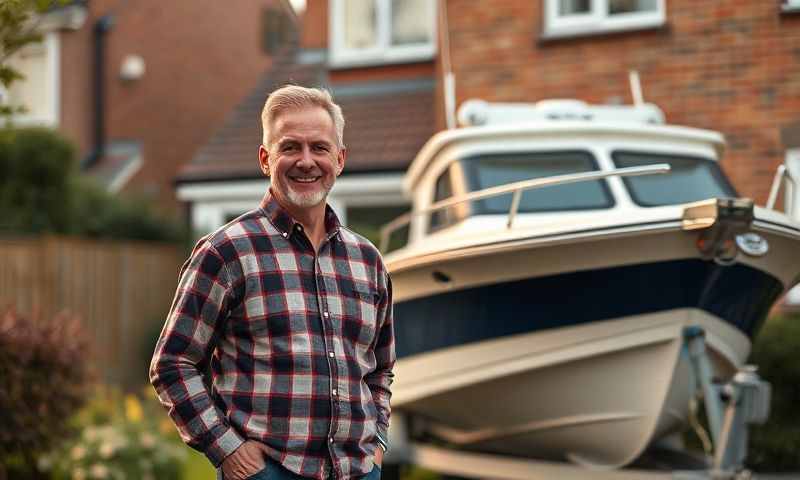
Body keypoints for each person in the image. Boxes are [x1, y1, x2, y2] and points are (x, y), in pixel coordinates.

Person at [150, 85, 395, 480]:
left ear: (340, 159)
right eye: (290, 148)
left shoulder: (367, 260)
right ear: (266, 159)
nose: (306, 161)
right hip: (269, 473)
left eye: (319, 147)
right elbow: (173, 364)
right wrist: (228, 451)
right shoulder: (226, 252)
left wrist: (377, 444)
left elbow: (380, 370)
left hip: (358, 471)